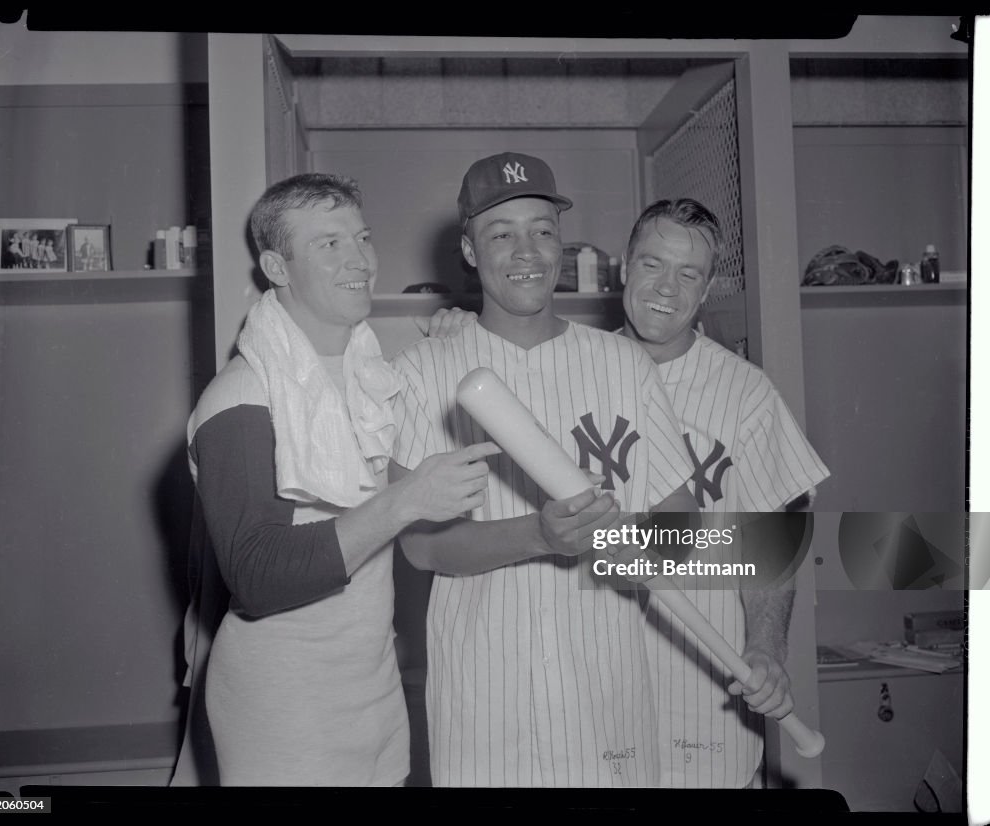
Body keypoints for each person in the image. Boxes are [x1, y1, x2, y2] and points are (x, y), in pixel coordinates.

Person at [179, 172, 499, 786]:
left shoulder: (370, 376)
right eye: (329, 244)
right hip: (284, 700)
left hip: (371, 687)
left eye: (363, 237)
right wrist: (405, 501)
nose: (360, 259)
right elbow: (258, 575)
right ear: (277, 266)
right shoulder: (240, 396)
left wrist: (451, 344)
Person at [390, 152, 699, 787]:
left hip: (608, 689)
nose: (526, 250)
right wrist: (537, 536)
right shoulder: (422, 372)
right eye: (501, 233)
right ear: (470, 251)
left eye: (542, 229)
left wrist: (631, 543)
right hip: (483, 701)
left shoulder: (623, 365)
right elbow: (419, 545)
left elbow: (683, 525)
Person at [619, 197, 830, 788]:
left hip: (703, 695)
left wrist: (765, 649)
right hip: (590, 695)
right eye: (652, 264)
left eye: (688, 273)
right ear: (623, 268)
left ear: (707, 287)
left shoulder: (745, 394)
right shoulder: (572, 370)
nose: (667, 287)